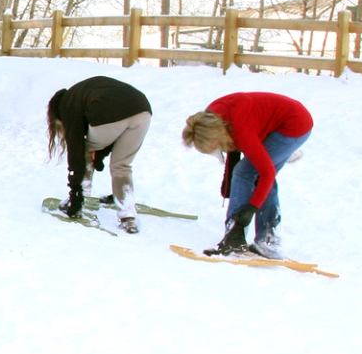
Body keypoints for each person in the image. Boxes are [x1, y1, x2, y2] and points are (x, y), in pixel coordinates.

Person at [182, 91, 314, 257]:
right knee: (254, 171)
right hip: (271, 122)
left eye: (216, 148)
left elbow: (266, 173)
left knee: (246, 172)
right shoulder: (208, 120)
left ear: (218, 137)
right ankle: (261, 238)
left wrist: (250, 209)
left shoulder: (241, 129)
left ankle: (250, 237)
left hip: (294, 125)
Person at [47, 76, 152, 234]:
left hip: (112, 113)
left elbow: (76, 150)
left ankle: (83, 197)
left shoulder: (68, 104)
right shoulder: (83, 91)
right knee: (121, 165)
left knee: (85, 151)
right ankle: (127, 215)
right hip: (143, 111)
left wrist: (75, 195)